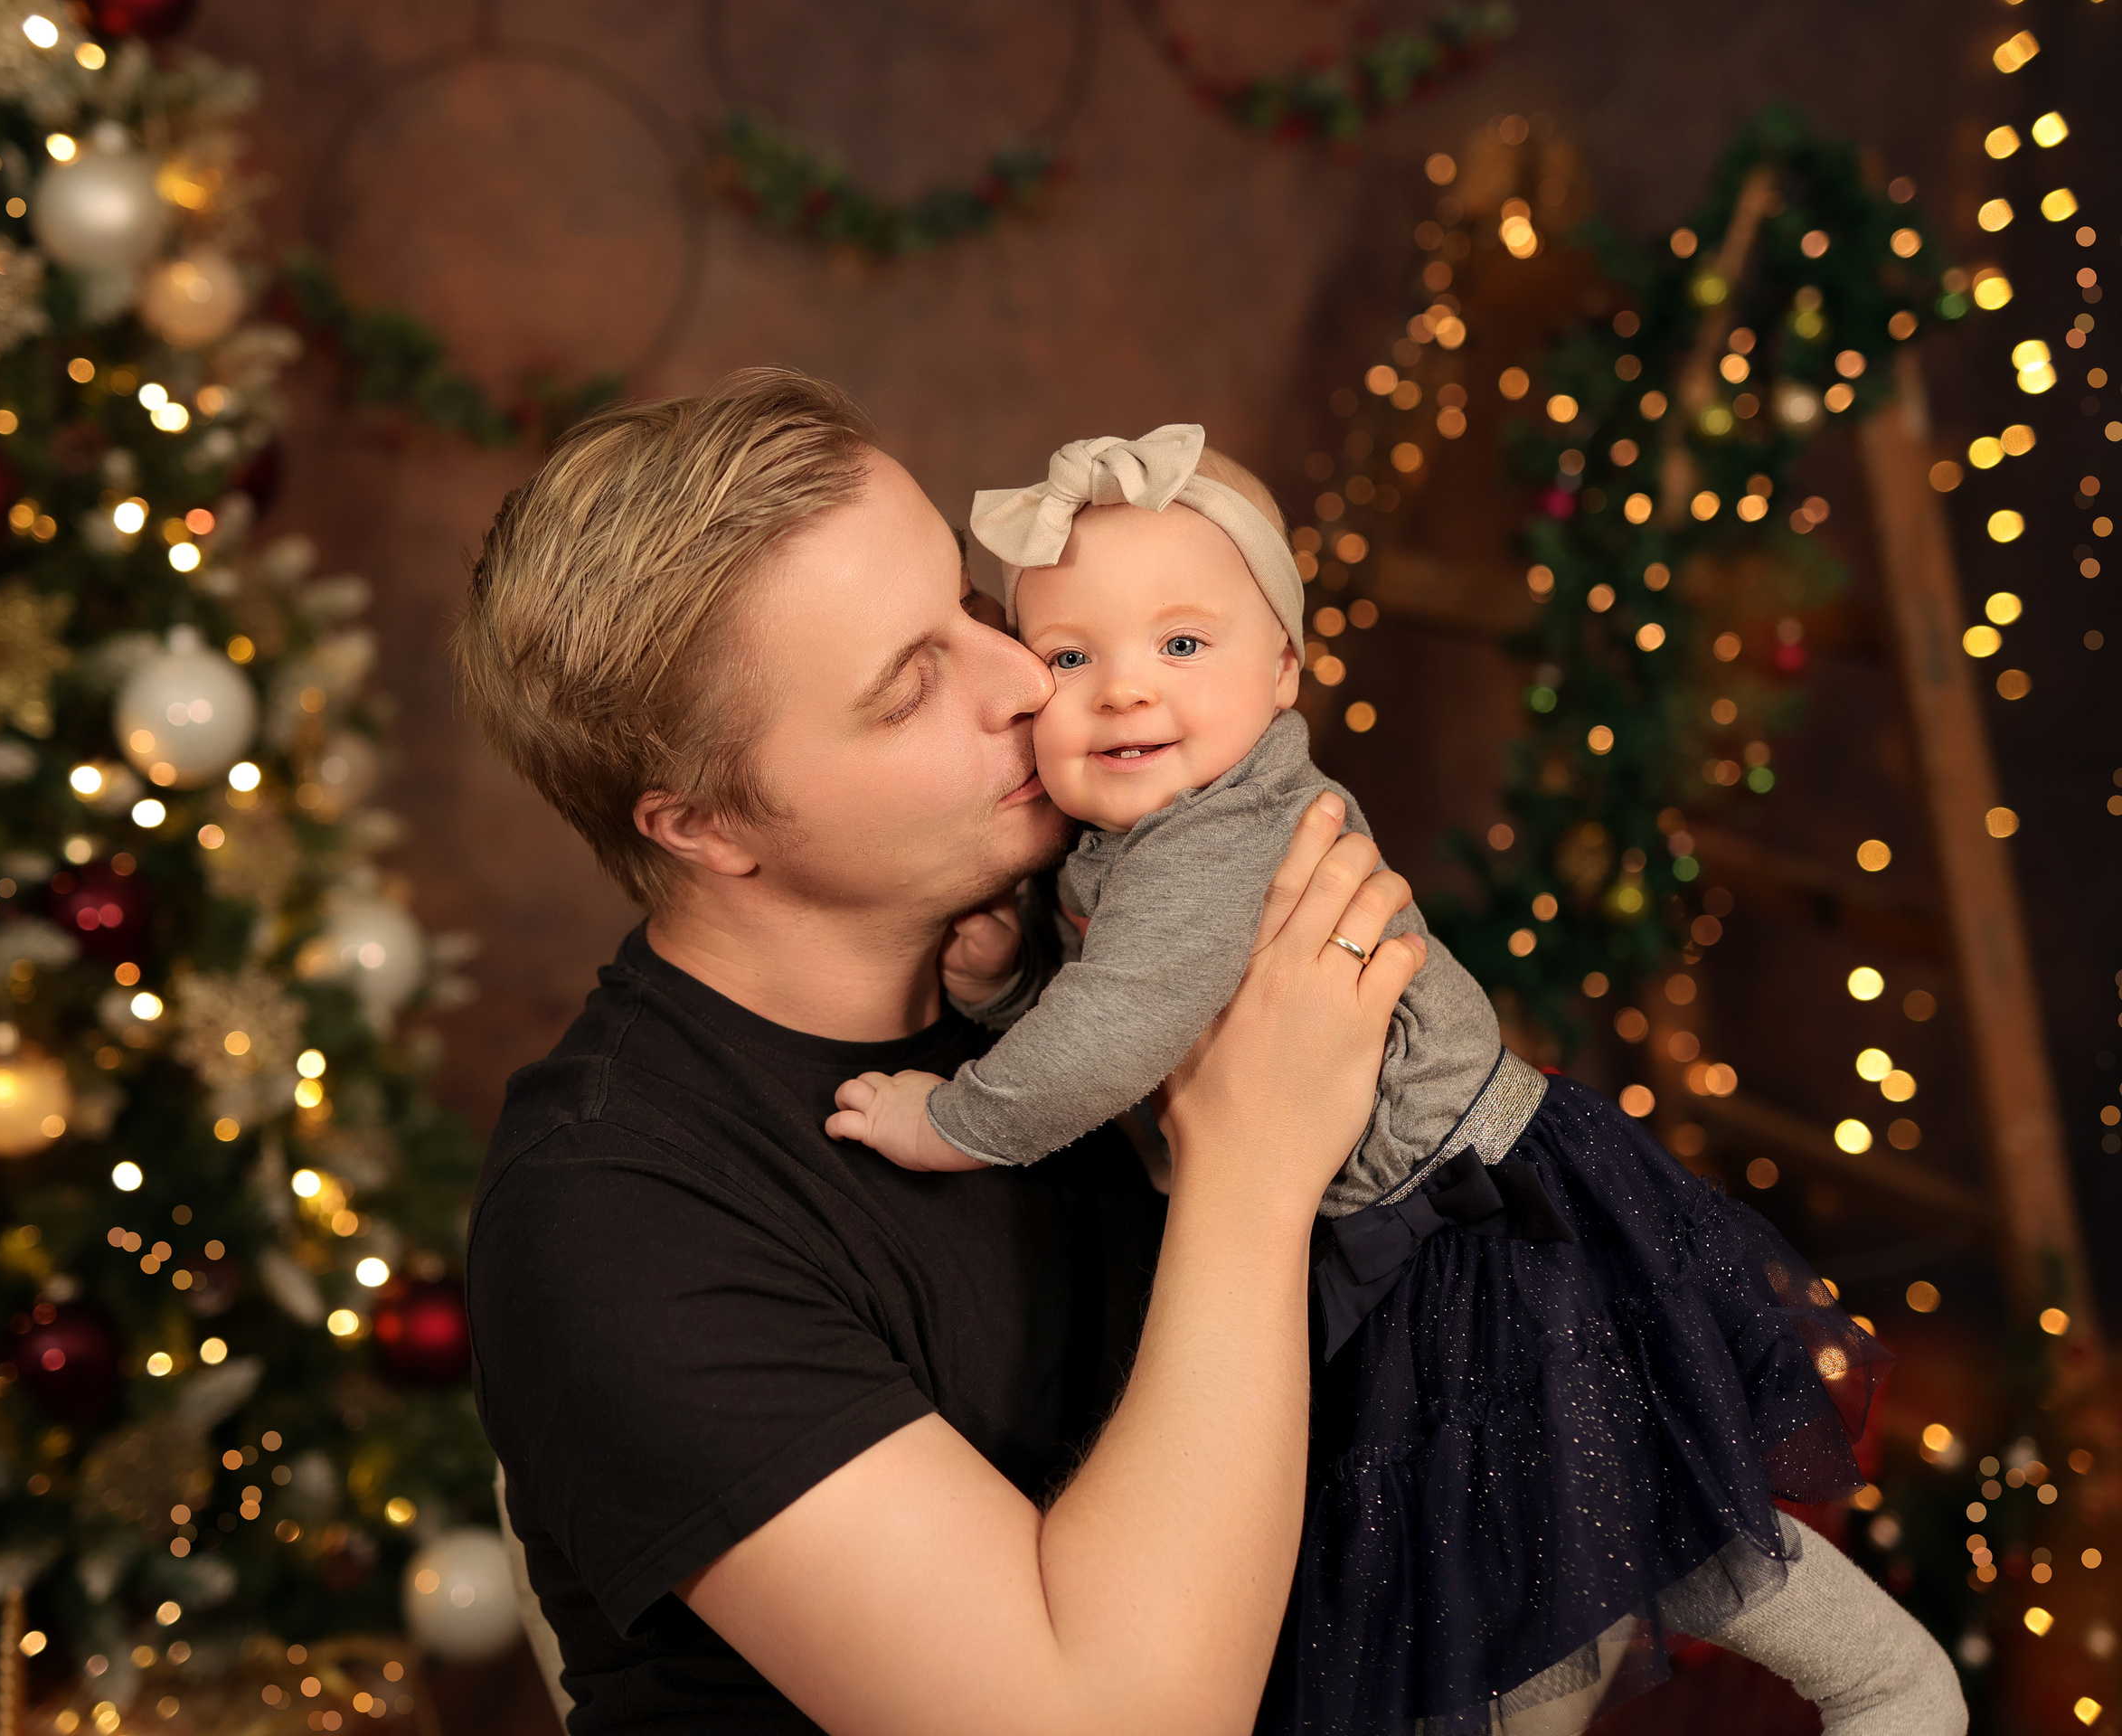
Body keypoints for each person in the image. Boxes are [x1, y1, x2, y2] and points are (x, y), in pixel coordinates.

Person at [828, 423, 1966, 1736]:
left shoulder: (1218, 836)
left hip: (1468, 1228)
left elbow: (1113, 1040)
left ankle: (1893, 1689)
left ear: (1284, 672)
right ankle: (1888, 1686)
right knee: (1556, 1545)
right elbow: (1140, 1021)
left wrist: (953, 1119)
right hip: (1411, 1221)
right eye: (1071, 658)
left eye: (1181, 646)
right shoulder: (1141, 842)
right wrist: (997, 989)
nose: (1124, 690)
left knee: (1570, 1533)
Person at [452, 370, 1430, 1736]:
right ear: (704, 827)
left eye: (971, 610)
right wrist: (1253, 1165)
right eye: (910, 689)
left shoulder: (1080, 938)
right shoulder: (614, 1215)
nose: (1027, 677)